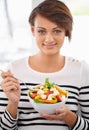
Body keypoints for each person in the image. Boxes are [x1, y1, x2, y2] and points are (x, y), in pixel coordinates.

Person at [0, 0, 89, 130]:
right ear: (32, 30)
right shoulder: (14, 70)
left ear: (66, 31)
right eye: (41, 31)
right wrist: (13, 103)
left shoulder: (81, 70)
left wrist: (69, 117)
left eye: (57, 31)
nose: (49, 39)